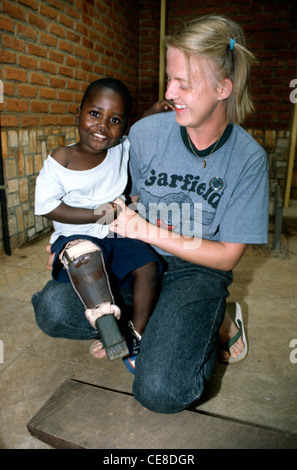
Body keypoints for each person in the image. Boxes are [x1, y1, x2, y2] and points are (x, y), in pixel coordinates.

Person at [32, 14, 269, 414]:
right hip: (138, 259)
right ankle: (161, 325)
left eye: (184, 84)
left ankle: (212, 321)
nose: (169, 92)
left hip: (197, 270)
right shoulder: (145, 134)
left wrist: (148, 230)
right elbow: (119, 196)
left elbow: (228, 255)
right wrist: (72, 239)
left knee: (159, 390)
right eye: (169, 78)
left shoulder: (248, 159)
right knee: (52, 309)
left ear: (223, 88)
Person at [34, 78, 163, 372]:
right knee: (85, 254)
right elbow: (47, 207)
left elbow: (133, 132)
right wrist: (98, 214)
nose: (103, 126)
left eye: (114, 120)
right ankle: (105, 321)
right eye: (95, 114)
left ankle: (135, 336)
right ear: (77, 114)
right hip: (74, 237)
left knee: (148, 265)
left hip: (113, 233)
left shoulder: (120, 148)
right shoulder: (61, 159)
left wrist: (152, 113)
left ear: (123, 125)